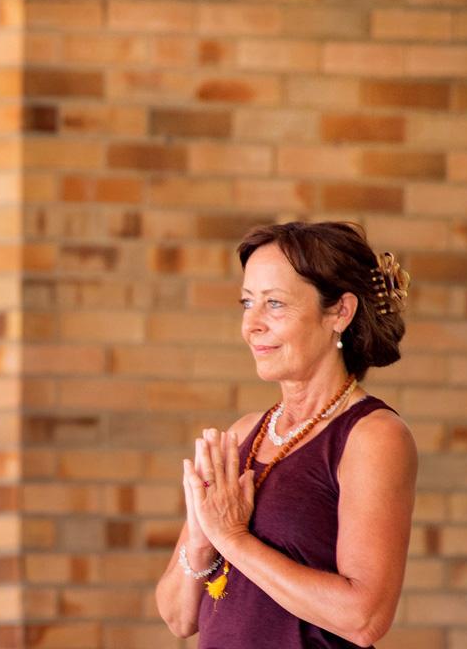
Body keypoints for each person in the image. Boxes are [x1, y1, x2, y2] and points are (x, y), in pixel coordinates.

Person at [155, 221, 417, 648]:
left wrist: (233, 539)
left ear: (339, 313)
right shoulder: (244, 433)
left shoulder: (372, 437)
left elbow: (363, 618)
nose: (252, 325)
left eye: (274, 304)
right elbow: (177, 617)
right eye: (246, 303)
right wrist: (203, 543)